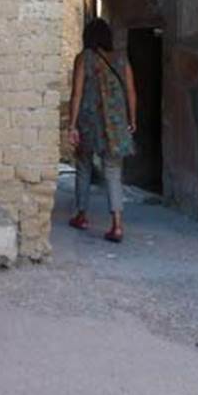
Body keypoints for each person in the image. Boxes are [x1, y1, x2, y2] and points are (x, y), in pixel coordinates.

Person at [67, 18, 137, 242]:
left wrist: (72, 124)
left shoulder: (84, 59)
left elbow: (76, 93)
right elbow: (131, 92)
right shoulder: (121, 60)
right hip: (115, 124)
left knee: (83, 165)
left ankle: (81, 214)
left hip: (89, 123)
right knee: (113, 172)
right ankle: (117, 225)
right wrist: (132, 119)